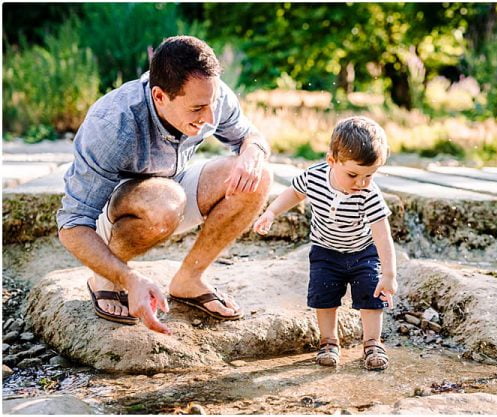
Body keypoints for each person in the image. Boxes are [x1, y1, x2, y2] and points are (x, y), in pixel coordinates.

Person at [57, 36, 272, 334]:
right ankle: (105, 277)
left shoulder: (210, 94)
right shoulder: (112, 124)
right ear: (159, 96)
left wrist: (253, 151)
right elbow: (71, 226)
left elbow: (251, 136)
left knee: (259, 176)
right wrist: (129, 278)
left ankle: (189, 279)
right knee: (166, 199)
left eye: (212, 104)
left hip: (173, 192)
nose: (210, 117)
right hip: (115, 213)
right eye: (197, 109)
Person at [252, 116, 397, 371]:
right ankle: (329, 342)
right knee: (324, 296)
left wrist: (389, 274)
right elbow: (295, 193)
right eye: (353, 174)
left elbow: (382, 234)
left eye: (369, 175)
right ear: (332, 160)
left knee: (371, 295)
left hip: (363, 252)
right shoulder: (315, 177)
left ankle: (373, 343)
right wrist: (271, 212)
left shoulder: (369, 194)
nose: (361, 183)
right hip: (325, 251)